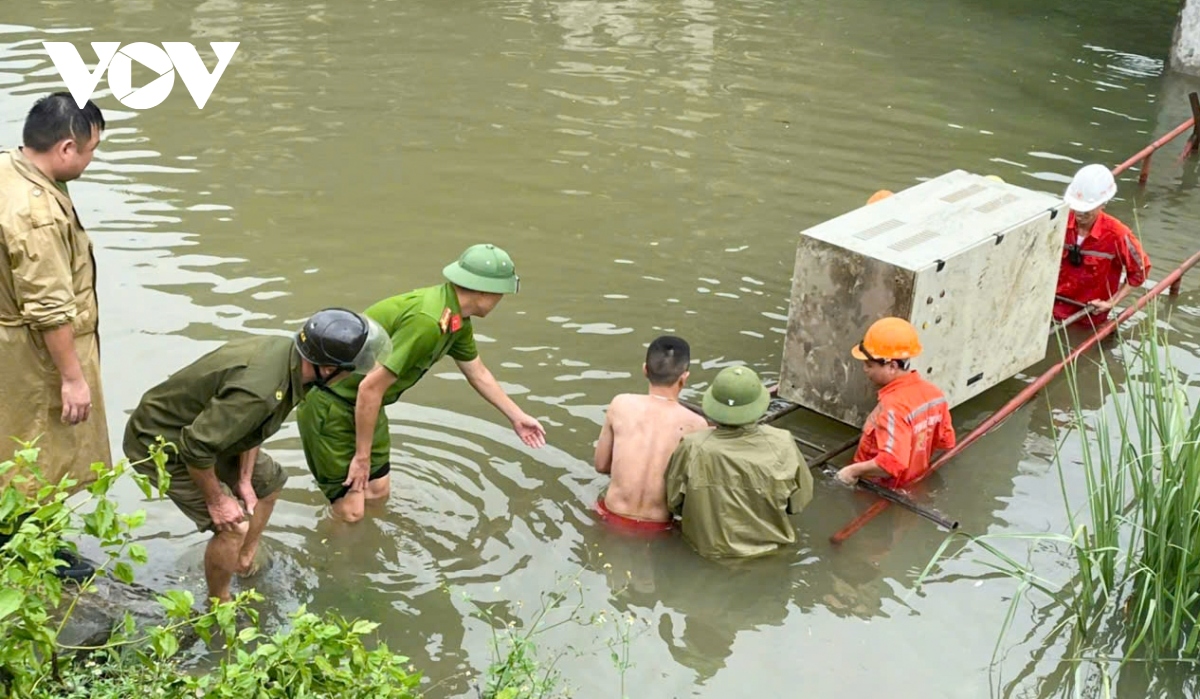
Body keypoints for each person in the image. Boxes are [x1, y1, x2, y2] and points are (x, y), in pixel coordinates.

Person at [124, 308, 389, 603]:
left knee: (270, 481)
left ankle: (243, 561)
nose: (351, 376)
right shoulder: (261, 390)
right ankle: (218, 603)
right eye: (349, 370)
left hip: (207, 431)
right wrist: (218, 500)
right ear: (328, 369)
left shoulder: (291, 362)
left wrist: (245, 478)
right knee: (233, 526)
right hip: (162, 441)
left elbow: (252, 428)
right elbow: (196, 446)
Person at [297, 243, 547, 523]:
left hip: (367, 407)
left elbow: (478, 372)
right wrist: (361, 457)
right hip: (333, 407)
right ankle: (333, 559)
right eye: (500, 292)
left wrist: (517, 417)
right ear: (482, 291)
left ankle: (366, 553)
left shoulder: (455, 321)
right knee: (351, 511)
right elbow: (370, 387)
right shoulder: (428, 321)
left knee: (378, 492)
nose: (501, 298)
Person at [0, 92, 109, 498]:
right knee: (40, 450)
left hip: (9, 340)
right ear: (66, 147)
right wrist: (72, 379)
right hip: (33, 355)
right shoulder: (38, 215)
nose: (90, 159)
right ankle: (30, 543)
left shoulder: (8, 168)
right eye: (90, 150)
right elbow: (50, 307)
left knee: (12, 443)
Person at [664, 365, 814, 559]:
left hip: (708, 556)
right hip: (770, 556)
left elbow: (674, 502)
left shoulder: (693, 446)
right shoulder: (783, 443)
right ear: (758, 404)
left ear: (714, 405)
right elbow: (799, 503)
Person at [592, 335, 709, 534]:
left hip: (610, 515)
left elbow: (601, 466)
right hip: (658, 528)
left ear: (645, 369)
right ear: (684, 377)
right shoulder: (697, 425)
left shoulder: (620, 404)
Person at [836, 317, 956, 489]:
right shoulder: (933, 393)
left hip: (880, 487)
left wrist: (851, 472)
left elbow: (891, 463)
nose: (865, 369)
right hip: (914, 481)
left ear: (892, 366)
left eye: (869, 365)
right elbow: (946, 442)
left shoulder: (894, 406)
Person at [1052, 164, 1150, 327]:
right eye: (1076, 208)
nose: (1079, 214)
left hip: (1088, 317)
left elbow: (1140, 270)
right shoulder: (1058, 223)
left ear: (1103, 203)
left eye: (1086, 210)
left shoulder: (1118, 235)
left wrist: (1111, 303)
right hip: (1050, 308)